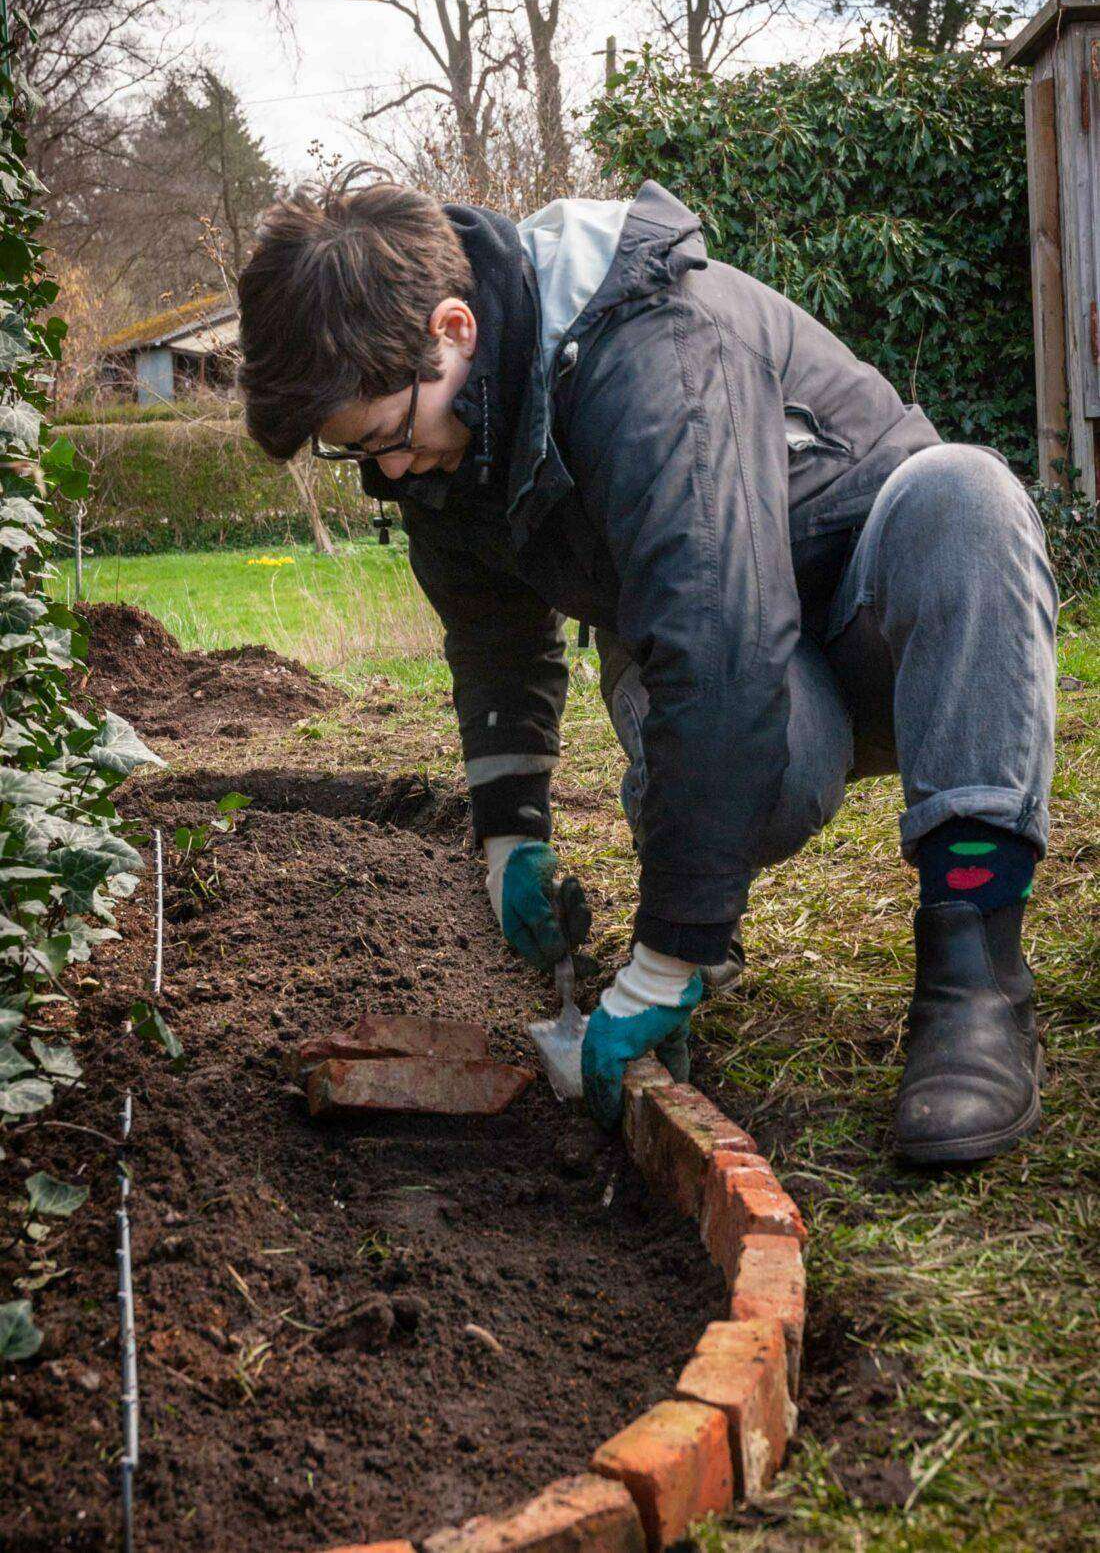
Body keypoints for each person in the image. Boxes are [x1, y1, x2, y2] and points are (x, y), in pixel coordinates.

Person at [236, 168, 1057, 1165]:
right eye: (356, 454)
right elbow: (494, 638)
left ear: (452, 328)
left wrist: (669, 949)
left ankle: (971, 976)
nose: (389, 469)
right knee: (764, 778)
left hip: (884, 621)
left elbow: (716, 629)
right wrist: (507, 841)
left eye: (385, 437)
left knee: (962, 495)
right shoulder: (446, 433)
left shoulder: (649, 353)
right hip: (747, 668)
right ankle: (708, 907)